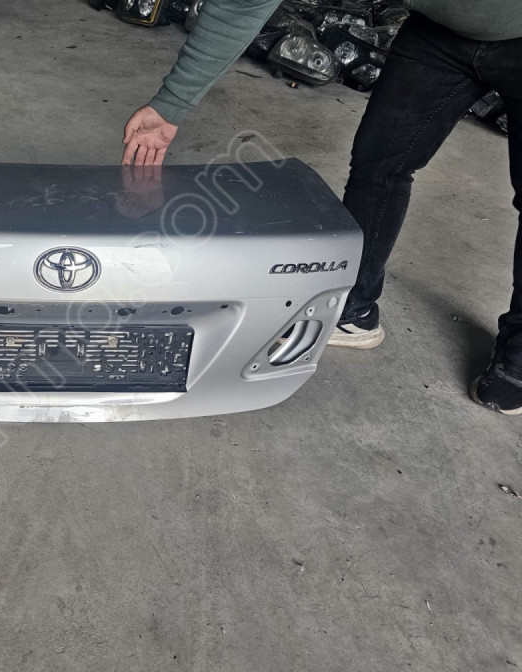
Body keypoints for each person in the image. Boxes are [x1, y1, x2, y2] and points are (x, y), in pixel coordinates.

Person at [122, 1, 522, 413]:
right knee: (379, 165)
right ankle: (354, 309)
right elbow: (240, 6)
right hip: (439, 34)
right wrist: (172, 104)